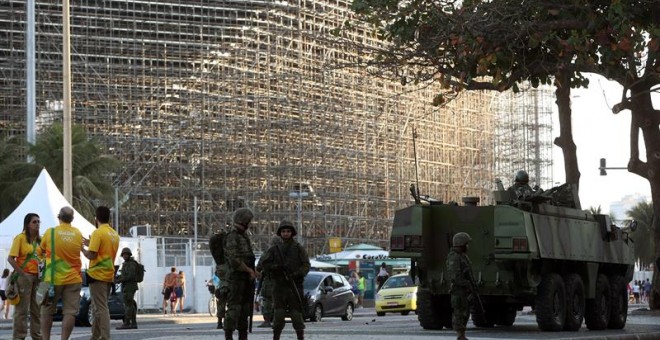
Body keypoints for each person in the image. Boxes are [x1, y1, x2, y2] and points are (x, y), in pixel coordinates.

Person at [260, 220, 310, 340]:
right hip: (279, 286)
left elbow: (306, 265)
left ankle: (300, 337)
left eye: (288, 231)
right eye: (283, 231)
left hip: (294, 286)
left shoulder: (298, 248)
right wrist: (275, 268)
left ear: (292, 233)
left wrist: (296, 274)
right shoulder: (274, 249)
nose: (286, 233)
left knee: (297, 316)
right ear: (280, 233)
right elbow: (264, 264)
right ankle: (276, 337)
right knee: (278, 315)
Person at [39, 206, 84, 340]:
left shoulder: (50, 232)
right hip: (74, 278)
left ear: (59, 217)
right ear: (72, 219)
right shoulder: (77, 233)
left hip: (52, 279)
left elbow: (40, 251)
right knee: (70, 312)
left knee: (46, 311)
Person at [82, 206, 120, 340]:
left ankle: (105, 336)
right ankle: (95, 336)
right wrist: (89, 243)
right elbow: (104, 249)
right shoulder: (114, 233)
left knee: (101, 308)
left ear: (96, 218)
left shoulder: (98, 233)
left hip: (97, 274)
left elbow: (92, 255)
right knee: (98, 308)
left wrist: (82, 249)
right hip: (109, 274)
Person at [223, 208, 257, 340]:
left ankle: (243, 336)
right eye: (249, 221)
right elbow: (234, 259)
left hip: (246, 279)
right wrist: (249, 270)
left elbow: (248, 257)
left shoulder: (244, 236)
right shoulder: (232, 237)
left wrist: (254, 271)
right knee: (234, 309)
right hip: (236, 278)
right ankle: (229, 336)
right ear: (244, 221)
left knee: (244, 310)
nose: (250, 224)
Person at [8, 213, 42, 340]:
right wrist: (23, 274)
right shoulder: (20, 238)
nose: (37, 224)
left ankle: (37, 336)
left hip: (38, 278)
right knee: (21, 310)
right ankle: (19, 337)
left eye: (39, 221)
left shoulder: (40, 240)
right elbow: (11, 258)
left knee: (37, 310)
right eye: (34, 222)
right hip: (24, 277)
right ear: (27, 224)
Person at [446, 232, 474, 340]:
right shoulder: (454, 257)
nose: (468, 246)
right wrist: (466, 284)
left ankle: (462, 334)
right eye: (466, 244)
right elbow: (455, 277)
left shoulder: (463, 256)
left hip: (464, 291)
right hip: (458, 291)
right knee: (459, 313)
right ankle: (460, 335)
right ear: (461, 244)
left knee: (465, 313)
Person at [255, 237, 282, 328]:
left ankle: (267, 321)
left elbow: (258, 269)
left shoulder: (266, 255)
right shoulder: (285, 254)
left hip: (268, 281)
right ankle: (277, 321)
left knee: (267, 301)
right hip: (280, 281)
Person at [209, 227, 229, 329]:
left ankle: (220, 321)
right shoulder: (228, 253)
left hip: (221, 280)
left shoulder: (217, 256)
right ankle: (229, 321)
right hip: (230, 278)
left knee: (221, 301)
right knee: (233, 301)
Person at [115, 247, 139, 329]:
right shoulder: (126, 263)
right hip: (127, 286)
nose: (124, 256)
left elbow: (130, 276)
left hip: (130, 286)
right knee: (130, 305)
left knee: (128, 305)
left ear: (129, 255)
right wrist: (118, 279)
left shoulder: (131, 264)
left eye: (126, 254)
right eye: (123, 254)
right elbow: (125, 275)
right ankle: (133, 323)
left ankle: (127, 323)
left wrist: (120, 280)